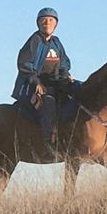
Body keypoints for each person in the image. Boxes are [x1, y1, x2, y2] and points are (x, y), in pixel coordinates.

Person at [12, 7, 72, 140]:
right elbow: (24, 63)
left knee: (78, 92)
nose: (47, 23)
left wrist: (66, 74)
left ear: (56, 24)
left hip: (56, 83)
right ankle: (49, 140)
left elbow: (64, 62)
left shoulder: (56, 42)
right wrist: (36, 82)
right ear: (38, 23)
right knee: (48, 103)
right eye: (44, 20)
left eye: (51, 20)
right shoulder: (35, 40)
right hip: (35, 85)